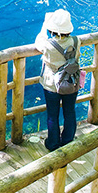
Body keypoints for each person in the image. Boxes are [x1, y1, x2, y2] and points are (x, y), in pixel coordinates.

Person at [35, 9, 81, 151]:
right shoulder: (76, 40)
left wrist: (45, 24)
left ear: (51, 29)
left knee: (52, 115)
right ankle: (67, 140)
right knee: (70, 112)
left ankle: (53, 143)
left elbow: (38, 41)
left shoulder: (48, 45)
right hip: (72, 82)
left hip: (52, 85)